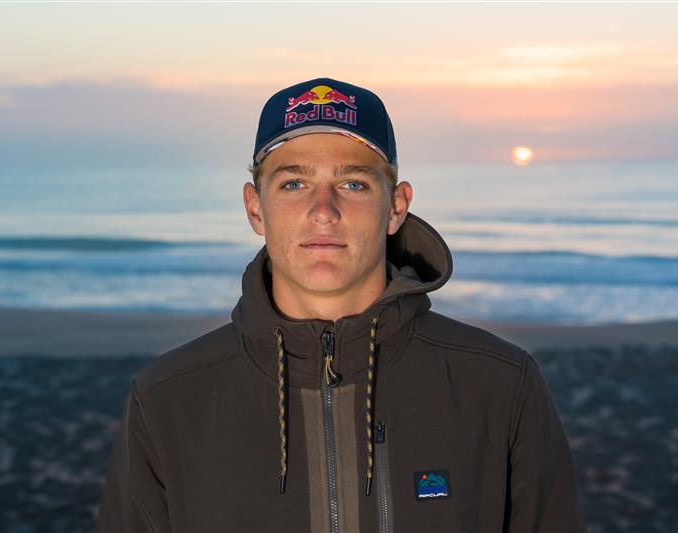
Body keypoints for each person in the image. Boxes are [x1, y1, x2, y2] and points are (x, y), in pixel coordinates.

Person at [95, 77, 587, 533]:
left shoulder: (498, 383)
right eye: (294, 184)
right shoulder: (168, 399)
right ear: (254, 208)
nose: (323, 212)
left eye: (353, 184)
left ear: (395, 206)